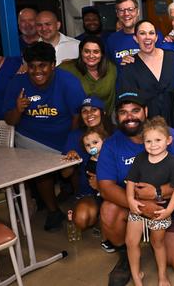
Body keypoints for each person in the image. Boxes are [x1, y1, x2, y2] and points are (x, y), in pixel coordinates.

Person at [97, 91, 174, 286]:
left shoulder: (167, 135)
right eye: (123, 112)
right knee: (108, 211)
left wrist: (157, 193)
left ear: (145, 111)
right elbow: (106, 187)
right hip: (132, 208)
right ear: (117, 117)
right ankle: (126, 256)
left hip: (167, 209)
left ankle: (159, 257)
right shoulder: (112, 144)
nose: (130, 116)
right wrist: (142, 206)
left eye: (135, 110)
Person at [3, 41, 85, 230]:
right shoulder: (17, 83)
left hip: (65, 135)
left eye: (42, 65)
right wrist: (18, 109)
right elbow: (10, 121)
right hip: (33, 138)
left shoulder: (68, 81)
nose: (36, 71)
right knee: (41, 168)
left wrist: (70, 145)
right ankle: (53, 210)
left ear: (53, 64)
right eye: (31, 66)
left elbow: (77, 117)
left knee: (76, 162)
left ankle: (81, 202)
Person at [125, 117, 174, 286]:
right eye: (148, 141)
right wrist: (130, 200)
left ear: (168, 140)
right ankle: (137, 278)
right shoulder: (140, 159)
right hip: (138, 208)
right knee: (131, 242)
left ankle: (162, 276)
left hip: (160, 212)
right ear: (143, 142)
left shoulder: (173, 163)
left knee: (157, 243)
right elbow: (130, 180)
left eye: (158, 140)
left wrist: (168, 211)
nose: (153, 145)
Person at [62, 96, 115, 252]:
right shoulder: (74, 136)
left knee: (113, 217)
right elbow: (65, 175)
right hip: (87, 192)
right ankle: (100, 219)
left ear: (103, 112)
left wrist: (105, 186)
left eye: (94, 110)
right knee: (81, 219)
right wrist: (70, 161)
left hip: (114, 189)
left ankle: (105, 219)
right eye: (84, 111)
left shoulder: (115, 134)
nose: (89, 114)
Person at [118, 20, 174, 134]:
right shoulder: (129, 66)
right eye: (142, 33)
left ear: (156, 37)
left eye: (151, 33)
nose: (147, 37)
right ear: (135, 38)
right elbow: (128, 103)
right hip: (148, 129)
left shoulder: (172, 58)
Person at [58, 35, 117, 116]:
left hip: (105, 121)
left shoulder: (112, 69)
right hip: (76, 120)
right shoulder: (67, 68)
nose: (91, 56)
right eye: (87, 51)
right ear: (81, 52)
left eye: (96, 52)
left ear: (102, 54)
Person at [106, 0, 164, 65]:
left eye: (130, 9)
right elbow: (109, 68)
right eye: (121, 10)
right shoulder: (112, 40)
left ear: (138, 12)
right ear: (117, 14)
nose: (126, 13)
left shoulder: (153, 35)